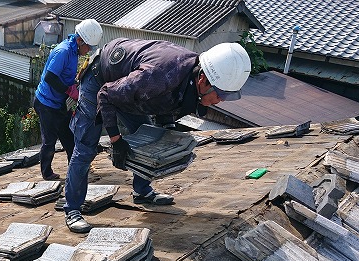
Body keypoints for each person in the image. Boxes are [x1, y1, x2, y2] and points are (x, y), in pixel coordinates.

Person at [64, 39, 251, 233]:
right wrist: (116, 139)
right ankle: (73, 210)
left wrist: (167, 128)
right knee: (86, 148)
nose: (220, 101)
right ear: (203, 80)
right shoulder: (158, 76)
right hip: (100, 82)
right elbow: (106, 95)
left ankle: (142, 191)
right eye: (219, 95)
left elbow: (168, 98)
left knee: (149, 135)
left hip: (127, 86)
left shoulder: (189, 74)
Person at [34, 19, 103, 180]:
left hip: (58, 103)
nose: (89, 51)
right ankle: (47, 173)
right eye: (88, 47)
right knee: (49, 141)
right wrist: (68, 89)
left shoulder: (73, 52)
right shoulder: (63, 51)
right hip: (46, 103)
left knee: (69, 138)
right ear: (79, 41)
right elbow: (50, 77)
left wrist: (73, 84)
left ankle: (76, 171)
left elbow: (65, 75)